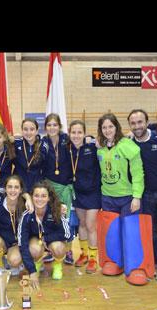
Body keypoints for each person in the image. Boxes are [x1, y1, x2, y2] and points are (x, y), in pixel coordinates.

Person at [96, 113, 147, 285]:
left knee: (131, 231)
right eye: (104, 127)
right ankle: (114, 261)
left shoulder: (128, 145)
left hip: (127, 197)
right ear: (100, 130)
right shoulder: (100, 147)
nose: (108, 130)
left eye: (111, 126)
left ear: (116, 127)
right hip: (108, 197)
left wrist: (137, 196)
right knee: (112, 231)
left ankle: (134, 267)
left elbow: (138, 173)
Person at [128, 109, 157, 280]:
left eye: (140, 122)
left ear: (147, 122)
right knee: (150, 232)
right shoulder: (129, 143)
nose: (137, 126)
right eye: (133, 123)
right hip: (146, 194)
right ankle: (153, 262)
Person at [17, 180, 72, 289]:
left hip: (52, 239)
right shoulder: (27, 215)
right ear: (31, 197)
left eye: (43, 196)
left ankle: (57, 264)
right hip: (36, 240)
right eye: (36, 196)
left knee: (59, 248)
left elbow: (67, 234)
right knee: (33, 248)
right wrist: (31, 271)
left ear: (49, 198)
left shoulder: (57, 210)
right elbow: (22, 244)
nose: (40, 199)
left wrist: (46, 239)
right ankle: (36, 264)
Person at [41, 113, 75, 265]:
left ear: (59, 126)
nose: (52, 128)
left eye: (55, 125)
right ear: (45, 127)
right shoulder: (42, 143)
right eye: (49, 125)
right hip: (49, 186)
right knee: (50, 217)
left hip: (65, 186)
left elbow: (82, 143)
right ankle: (49, 249)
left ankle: (68, 250)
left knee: (66, 218)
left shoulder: (67, 141)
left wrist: (90, 139)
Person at [68, 120, 101, 274]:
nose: (76, 135)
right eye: (73, 132)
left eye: (79, 132)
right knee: (81, 223)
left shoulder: (92, 147)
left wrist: (93, 139)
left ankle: (94, 258)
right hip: (78, 193)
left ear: (84, 133)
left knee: (90, 225)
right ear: (69, 134)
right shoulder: (67, 149)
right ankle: (84, 254)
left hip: (93, 192)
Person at [0, 175, 34, 280]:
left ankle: (22, 261)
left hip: (20, 241)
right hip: (4, 239)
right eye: (9, 187)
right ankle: (1, 266)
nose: (13, 190)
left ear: (21, 190)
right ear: (5, 189)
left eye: (16, 187)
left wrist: (28, 198)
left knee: (14, 260)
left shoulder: (26, 204)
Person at [13, 118, 44, 193]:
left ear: (37, 131)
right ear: (22, 131)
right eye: (25, 129)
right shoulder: (15, 144)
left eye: (32, 129)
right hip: (18, 188)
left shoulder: (43, 145)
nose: (28, 132)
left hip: (36, 189)